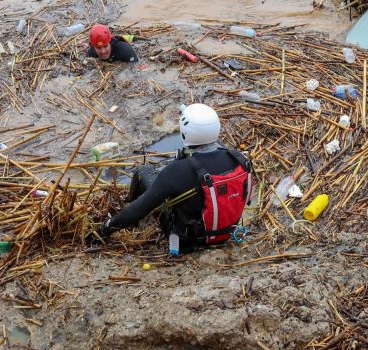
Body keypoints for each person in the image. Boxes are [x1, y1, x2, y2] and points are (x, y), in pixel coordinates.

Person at [97, 104, 253, 252]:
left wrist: (106, 228)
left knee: (143, 171)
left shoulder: (176, 171)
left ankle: (135, 218)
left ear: (185, 132)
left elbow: (137, 211)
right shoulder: (238, 159)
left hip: (189, 242)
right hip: (227, 233)